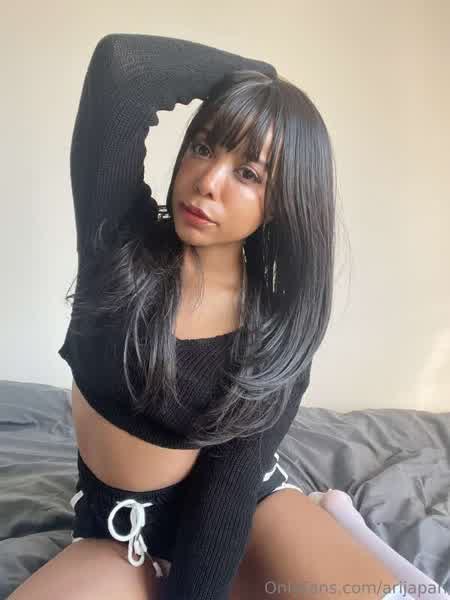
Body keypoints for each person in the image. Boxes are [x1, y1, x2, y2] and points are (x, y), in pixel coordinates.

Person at [8, 33, 447, 600]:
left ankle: (336, 516)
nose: (207, 182)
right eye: (204, 146)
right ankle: (336, 518)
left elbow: (222, 505)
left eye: (249, 174)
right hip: (123, 535)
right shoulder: (116, 243)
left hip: (245, 510)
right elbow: (123, 67)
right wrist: (260, 80)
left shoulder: (273, 332)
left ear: (283, 200)